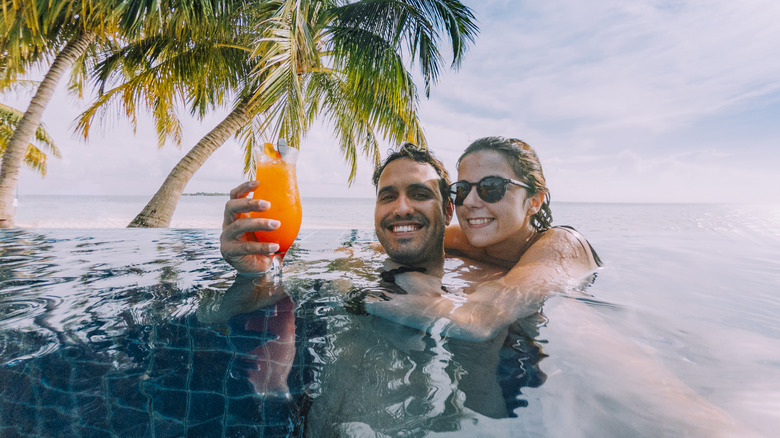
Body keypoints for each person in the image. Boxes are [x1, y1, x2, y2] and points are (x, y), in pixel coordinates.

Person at [361, 136, 602, 341]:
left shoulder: (561, 244)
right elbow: (386, 245)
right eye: (462, 190)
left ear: (534, 202)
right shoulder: (467, 240)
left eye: (491, 187)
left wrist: (360, 295)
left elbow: (478, 320)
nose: (470, 202)